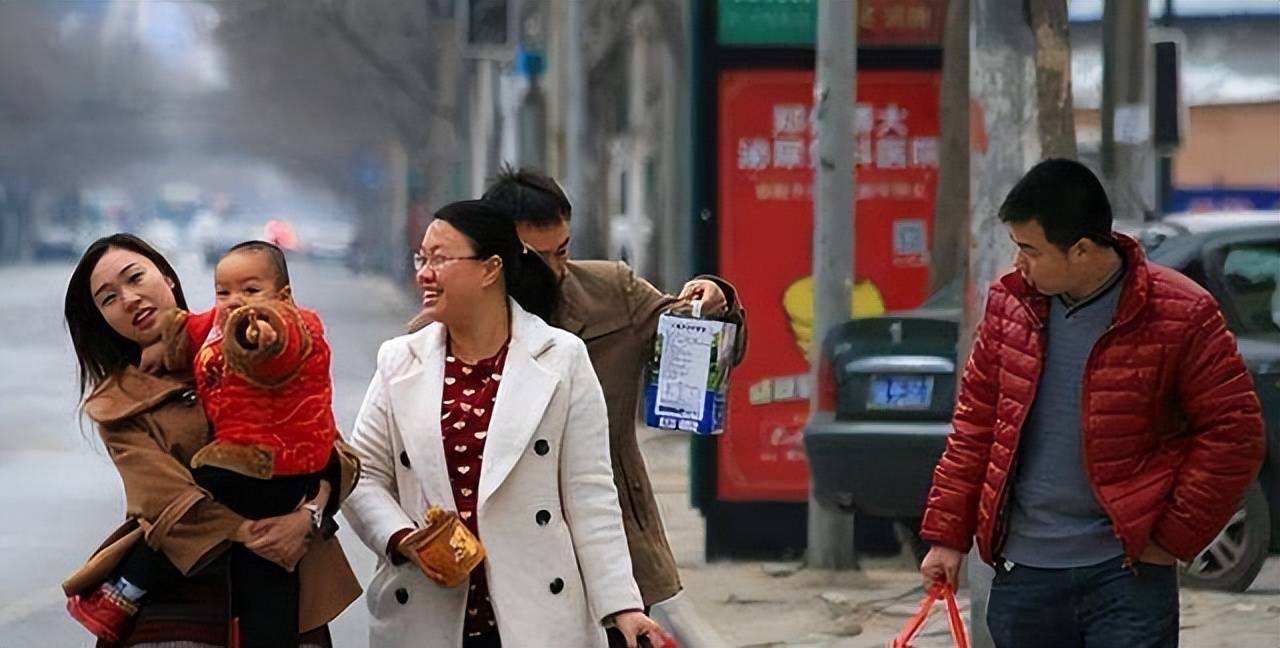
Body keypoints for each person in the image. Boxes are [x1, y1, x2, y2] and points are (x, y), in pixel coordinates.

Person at [917, 159, 1265, 647]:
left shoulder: (1180, 313)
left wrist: (1171, 538)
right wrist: (947, 537)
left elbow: (1235, 432)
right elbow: (975, 426)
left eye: (1030, 250)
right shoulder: (1010, 305)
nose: (1018, 263)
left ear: (1081, 250)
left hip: (1126, 576)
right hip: (1025, 575)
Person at [343, 200, 665, 648]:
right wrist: (403, 538)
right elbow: (362, 475)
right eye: (422, 258)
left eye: (440, 258)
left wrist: (622, 606)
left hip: (538, 616)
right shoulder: (399, 360)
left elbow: (590, 495)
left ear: (491, 268)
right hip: (426, 606)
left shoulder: (562, 358)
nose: (424, 273)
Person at [472, 167, 747, 622]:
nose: (554, 270)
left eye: (562, 251)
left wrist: (718, 302)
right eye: (535, 258)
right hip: (503, 539)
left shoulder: (611, 291)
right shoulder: (463, 318)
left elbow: (689, 328)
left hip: (610, 527)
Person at [61, 233, 361, 647]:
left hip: (289, 588)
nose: (129, 299)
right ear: (101, 317)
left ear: (167, 277)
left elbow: (330, 449)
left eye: (135, 278)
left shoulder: (247, 346)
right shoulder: (118, 404)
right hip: (182, 607)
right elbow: (164, 499)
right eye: (109, 298)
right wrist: (254, 533)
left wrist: (308, 516)